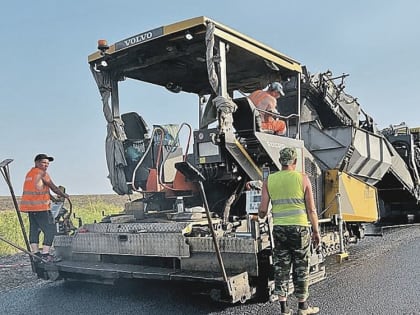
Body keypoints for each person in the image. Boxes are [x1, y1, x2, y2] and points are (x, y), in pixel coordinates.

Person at [258, 147, 321, 315]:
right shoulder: (303, 179)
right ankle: (303, 307)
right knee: (301, 267)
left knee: (281, 267)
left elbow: (263, 210)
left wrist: (259, 215)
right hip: (300, 229)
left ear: (281, 161)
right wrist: (316, 232)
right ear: (294, 162)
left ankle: (284, 309)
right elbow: (312, 210)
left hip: (279, 229)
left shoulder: (269, 180)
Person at [20, 154, 70, 262]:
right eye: (43, 163)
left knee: (34, 230)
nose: (46, 165)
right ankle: (46, 254)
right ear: (37, 162)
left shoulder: (30, 174)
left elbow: (44, 190)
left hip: (31, 208)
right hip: (41, 208)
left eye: (47, 163)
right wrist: (64, 195)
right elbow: (54, 187)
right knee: (50, 230)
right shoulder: (42, 173)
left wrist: (54, 200)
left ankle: (36, 254)